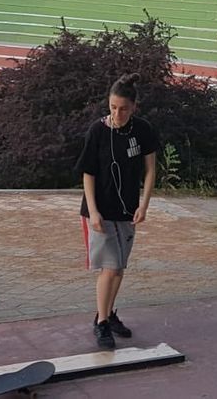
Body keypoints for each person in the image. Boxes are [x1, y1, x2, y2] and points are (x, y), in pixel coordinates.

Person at [76, 74, 160, 349]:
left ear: (134, 107)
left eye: (123, 108)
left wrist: (144, 204)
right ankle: (101, 322)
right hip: (100, 210)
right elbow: (88, 173)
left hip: (128, 209)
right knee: (110, 267)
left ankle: (109, 313)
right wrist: (93, 211)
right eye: (113, 107)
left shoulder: (142, 130)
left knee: (120, 267)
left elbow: (150, 170)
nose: (117, 113)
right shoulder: (98, 131)